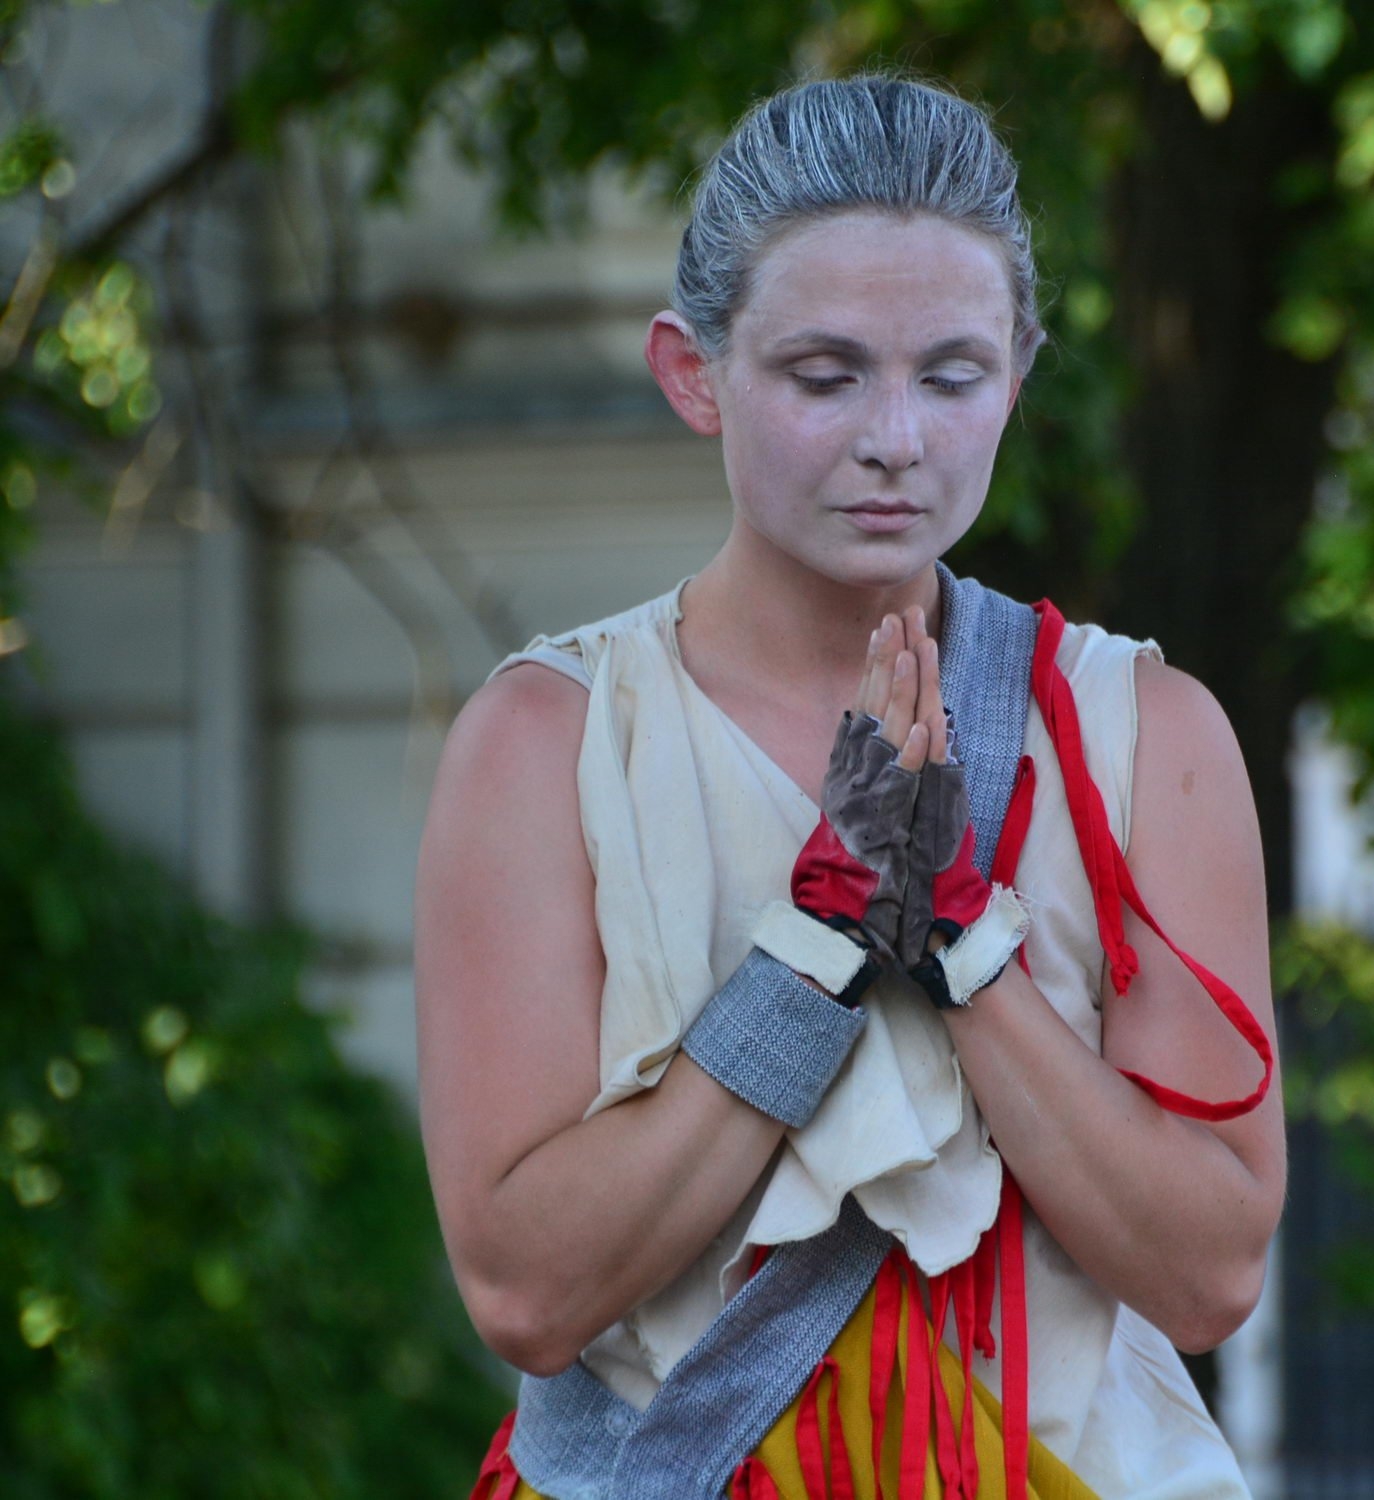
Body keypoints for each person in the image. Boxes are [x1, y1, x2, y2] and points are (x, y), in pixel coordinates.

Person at [413, 71, 1285, 1500]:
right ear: (692, 372)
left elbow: (1210, 1278)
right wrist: (814, 947)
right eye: (825, 377)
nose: (897, 438)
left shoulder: (1148, 732)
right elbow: (524, 1292)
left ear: (1020, 373)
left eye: (953, 375)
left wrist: (963, 941)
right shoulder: (545, 742)